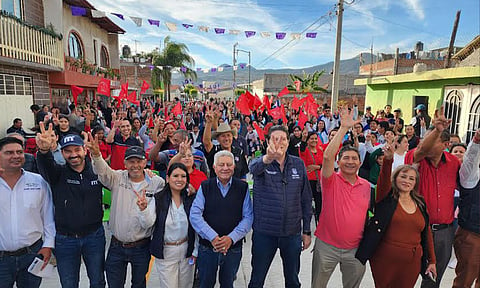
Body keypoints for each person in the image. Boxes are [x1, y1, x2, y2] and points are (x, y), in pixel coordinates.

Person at [356, 144, 437, 288]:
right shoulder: (385, 197)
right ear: (395, 178)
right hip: (385, 259)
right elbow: (383, 179)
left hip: (411, 262)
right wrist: (388, 160)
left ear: (415, 183)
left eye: (411, 179)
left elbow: (427, 233)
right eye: (403, 176)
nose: (407, 181)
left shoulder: (420, 203)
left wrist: (432, 261)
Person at [87, 139, 165, 288]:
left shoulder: (157, 183)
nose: (135, 165)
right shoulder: (116, 178)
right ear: (125, 163)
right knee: (114, 284)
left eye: (139, 161)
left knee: (139, 284)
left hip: (142, 246)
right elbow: (102, 171)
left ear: (145, 163)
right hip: (117, 245)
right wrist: (96, 155)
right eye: (131, 162)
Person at [35, 126, 105, 288]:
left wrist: (147, 175)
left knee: (98, 281)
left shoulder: (98, 172)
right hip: (65, 240)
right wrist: (44, 152)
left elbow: (119, 178)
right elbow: (46, 165)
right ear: (62, 153)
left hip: (94, 237)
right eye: (67, 151)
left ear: (84, 150)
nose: (73, 155)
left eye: (77, 149)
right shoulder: (57, 174)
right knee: (69, 283)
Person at [311, 108, 371, 288]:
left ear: (360, 163)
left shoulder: (367, 186)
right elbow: (327, 156)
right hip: (326, 247)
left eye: (354, 158)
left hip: (355, 249)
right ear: (339, 161)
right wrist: (344, 128)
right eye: (346, 158)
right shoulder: (330, 180)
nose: (350, 161)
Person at [248, 125, 312, 288]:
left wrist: (306, 231)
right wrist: (268, 158)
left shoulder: (298, 164)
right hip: (265, 233)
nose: (279, 142)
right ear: (268, 142)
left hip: (291, 234)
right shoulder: (261, 162)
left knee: (292, 280)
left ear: (288, 141)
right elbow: (253, 169)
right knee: (257, 280)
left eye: (283, 138)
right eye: (274, 139)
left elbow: (305, 198)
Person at [405, 107, 461, 288]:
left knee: (432, 281)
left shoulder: (453, 164)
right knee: (406, 276)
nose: (425, 144)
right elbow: (421, 149)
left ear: (446, 145)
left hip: (444, 232)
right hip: (417, 229)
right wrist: (436, 130)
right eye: (425, 139)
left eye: (433, 140)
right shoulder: (415, 159)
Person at [190, 150, 253, 288]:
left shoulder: (242, 188)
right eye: (221, 164)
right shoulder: (206, 186)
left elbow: (248, 217)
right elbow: (195, 215)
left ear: (234, 166)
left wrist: (230, 238)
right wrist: (213, 237)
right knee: (205, 283)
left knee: (228, 283)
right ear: (214, 167)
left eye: (229, 164)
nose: (225, 168)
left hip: (233, 248)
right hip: (208, 247)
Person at [0, 137, 55, 288]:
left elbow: (48, 216)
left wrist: (48, 245)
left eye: (19, 152)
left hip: (32, 254)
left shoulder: (38, 182)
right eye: (9, 152)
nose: (16, 156)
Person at [150, 163, 198, 288]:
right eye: (175, 176)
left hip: (187, 250)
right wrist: (143, 209)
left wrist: (196, 250)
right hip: (166, 252)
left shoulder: (191, 198)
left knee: (186, 285)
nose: (179, 179)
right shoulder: (158, 199)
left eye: (183, 176)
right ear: (167, 178)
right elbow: (147, 223)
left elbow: (197, 227)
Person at [454, 129, 480, 287]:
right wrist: (476, 142)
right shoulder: (471, 176)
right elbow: (470, 159)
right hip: (472, 236)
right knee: (465, 281)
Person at [203, 109, 248, 179]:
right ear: (218, 139)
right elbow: (207, 143)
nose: (226, 139)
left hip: (235, 188)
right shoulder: (215, 150)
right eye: (223, 136)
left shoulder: (239, 152)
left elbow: (243, 174)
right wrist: (209, 123)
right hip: (216, 188)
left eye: (228, 135)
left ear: (232, 137)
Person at [299, 132, 323, 223]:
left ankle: (320, 224)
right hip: (309, 181)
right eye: (312, 139)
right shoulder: (305, 151)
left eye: (315, 138)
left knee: (319, 204)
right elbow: (301, 149)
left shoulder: (320, 150)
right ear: (308, 140)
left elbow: (324, 164)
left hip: (319, 181)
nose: (314, 140)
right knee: (307, 203)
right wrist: (303, 139)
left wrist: (316, 167)